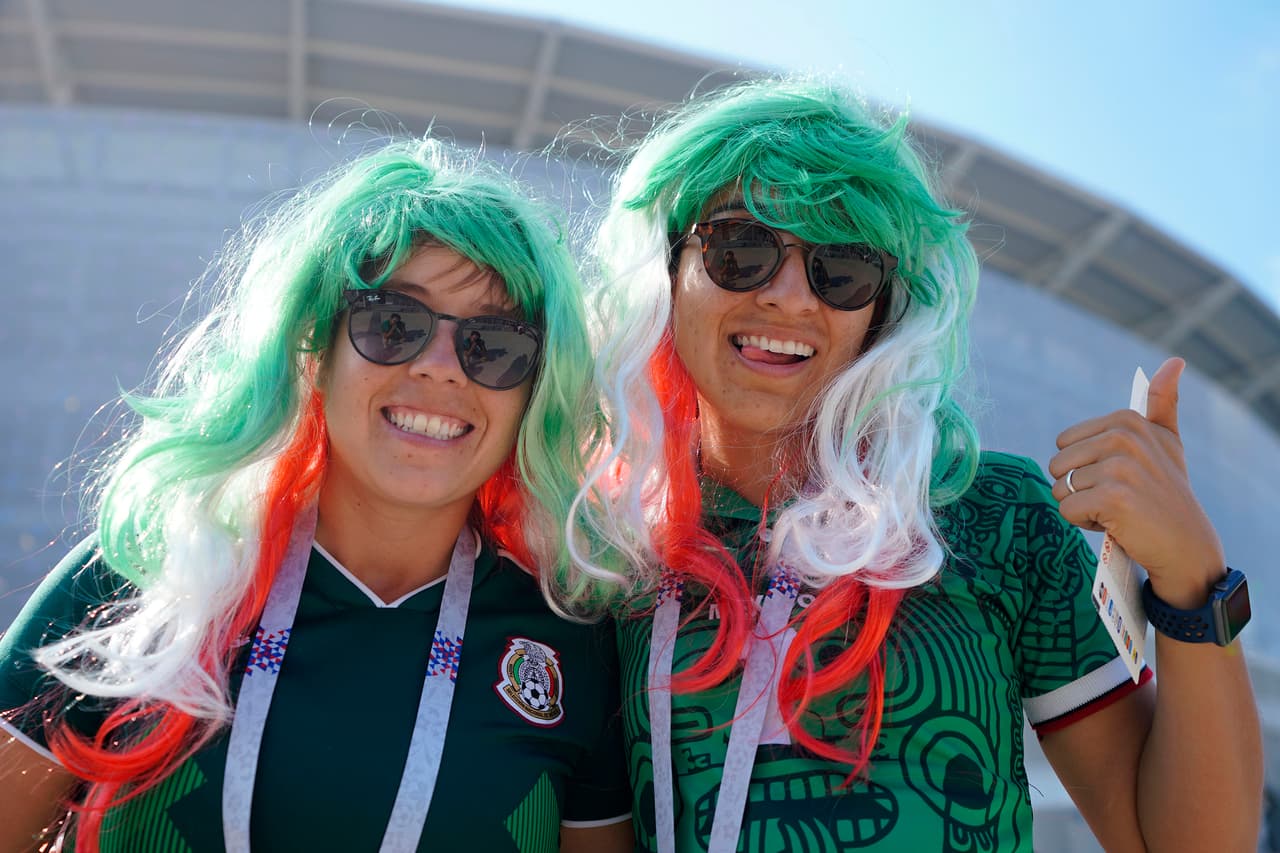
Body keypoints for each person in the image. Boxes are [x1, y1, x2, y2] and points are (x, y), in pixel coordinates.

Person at [578, 77, 1262, 852]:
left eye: (842, 268)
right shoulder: (608, 549)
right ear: (665, 270)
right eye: (742, 249)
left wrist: (1193, 581)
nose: (791, 298)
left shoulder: (994, 515)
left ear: (882, 311)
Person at [0, 139, 633, 852]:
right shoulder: (151, 569)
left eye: (495, 344)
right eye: (392, 323)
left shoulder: (568, 643)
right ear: (314, 349)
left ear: (533, 392)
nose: (440, 369)